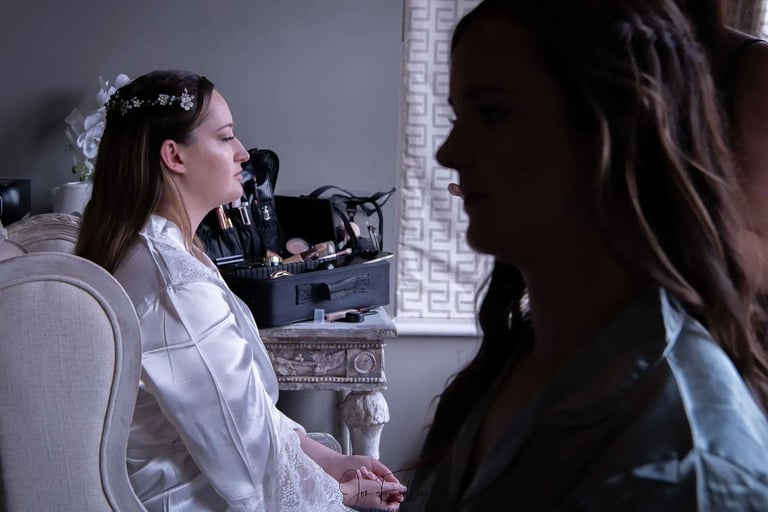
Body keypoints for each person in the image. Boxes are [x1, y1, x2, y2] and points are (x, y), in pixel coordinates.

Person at [406, 0, 768, 510]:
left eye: (492, 113)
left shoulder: (688, 466)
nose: (448, 153)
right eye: (457, 116)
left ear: (611, 135)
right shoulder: (525, 363)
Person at [74, 70, 405, 511]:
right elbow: (245, 457)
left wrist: (334, 462)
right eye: (226, 136)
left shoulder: (157, 250)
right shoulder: (177, 287)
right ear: (174, 155)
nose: (243, 153)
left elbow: (248, 416)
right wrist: (342, 494)